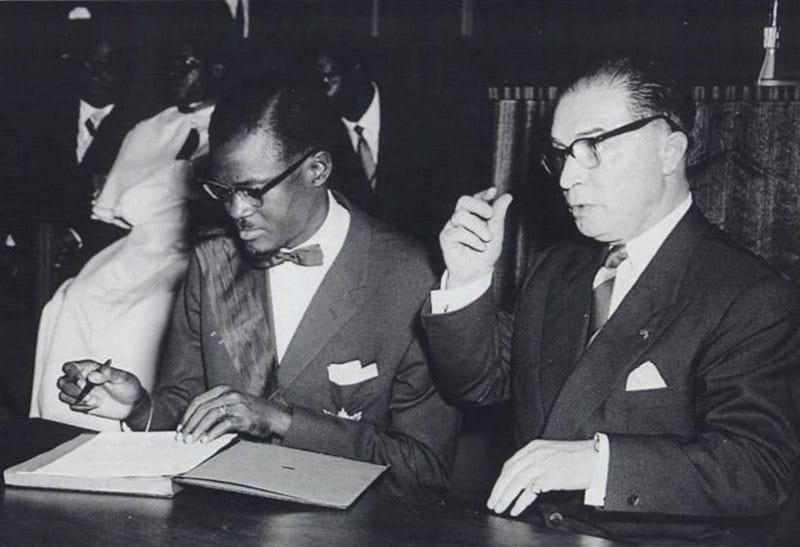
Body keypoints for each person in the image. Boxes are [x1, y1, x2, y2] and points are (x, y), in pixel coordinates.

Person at [421, 56, 800, 542]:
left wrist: (598, 462)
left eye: (593, 147)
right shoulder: (558, 269)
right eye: (562, 154)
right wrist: (468, 278)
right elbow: (476, 386)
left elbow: (757, 467)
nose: (566, 179)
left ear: (669, 151)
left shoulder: (747, 296)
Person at [55, 74, 459, 501]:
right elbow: (188, 406)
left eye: (252, 191)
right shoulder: (213, 261)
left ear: (317, 169)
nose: (235, 211)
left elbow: (424, 470)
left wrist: (283, 421)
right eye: (223, 191)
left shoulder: (412, 277)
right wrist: (138, 409)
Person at [30, 38, 226, 430]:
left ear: (215, 69)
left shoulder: (233, 122)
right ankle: (61, 427)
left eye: (186, 63)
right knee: (75, 298)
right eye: (171, 63)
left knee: (148, 311)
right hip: (138, 244)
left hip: (194, 248)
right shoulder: (149, 127)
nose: (175, 73)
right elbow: (113, 207)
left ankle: (129, 427)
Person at [312, 43, 470, 250]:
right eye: (316, 82)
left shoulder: (427, 118)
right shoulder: (317, 136)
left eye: (329, 77)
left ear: (356, 70)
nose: (323, 90)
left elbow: (448, 199)